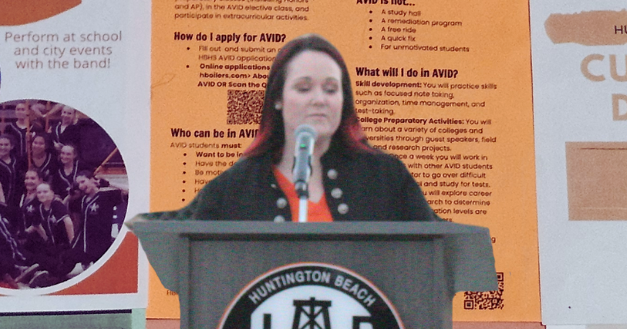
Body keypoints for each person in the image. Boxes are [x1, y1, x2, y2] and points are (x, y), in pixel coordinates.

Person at [179, 34, 439, 222]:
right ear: (277, 98)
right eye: (304, 88)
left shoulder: (386, 178)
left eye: (331, 89)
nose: (319, 99)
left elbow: (440, 249)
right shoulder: (234, 188)